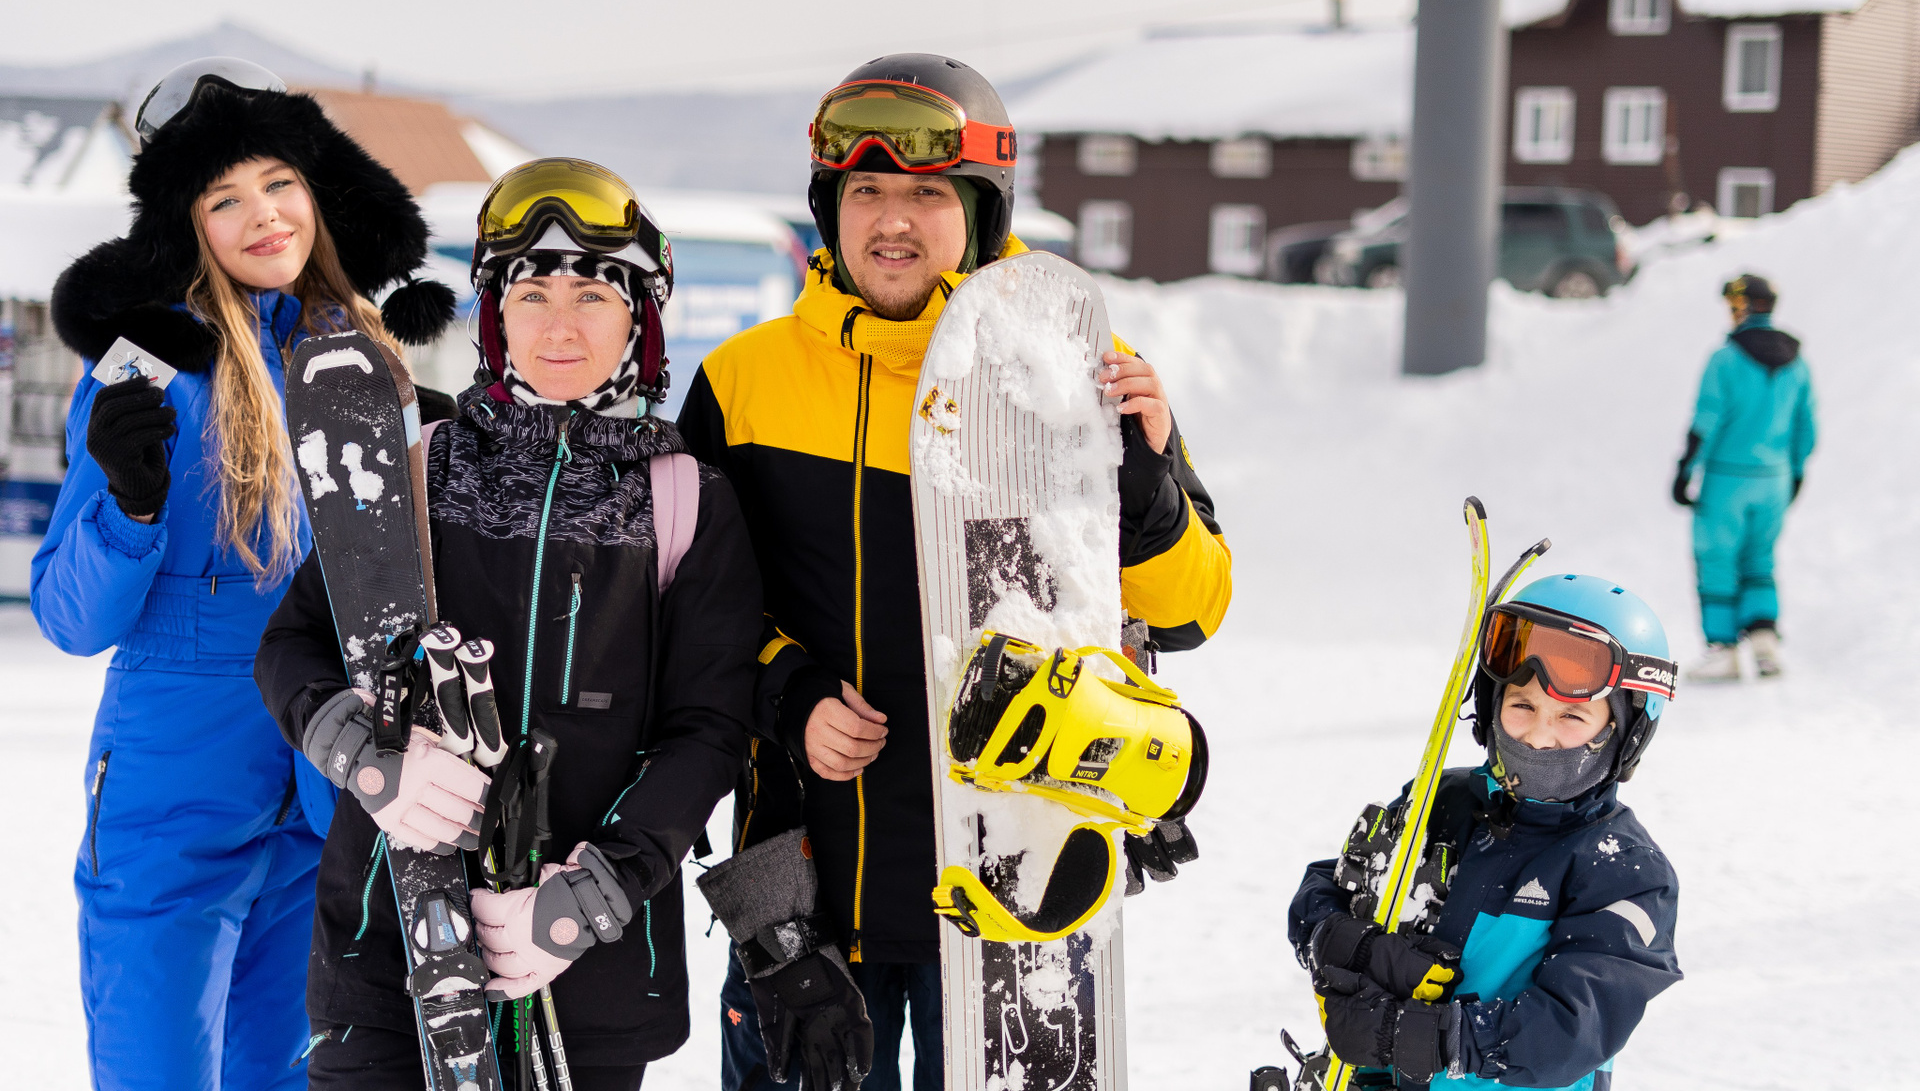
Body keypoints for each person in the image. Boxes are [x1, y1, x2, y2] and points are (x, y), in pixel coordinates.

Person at [676, 54, 1234, 1090]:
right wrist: (789, 694)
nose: (893, 220)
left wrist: (1145, 477)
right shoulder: (743, 384)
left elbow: (1192, 609)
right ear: (830, 207)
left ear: (981, 211)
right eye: (866, 190)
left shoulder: (1076, 371)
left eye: (929, 194)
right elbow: (688, 617)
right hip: (806, 886)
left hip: (1017, 888)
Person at [255, 157, 763, 1090]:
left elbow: (707, 733)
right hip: (388, 955)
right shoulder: (423, 468)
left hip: (590, 982)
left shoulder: (685, 501)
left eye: (594, 296)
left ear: (639, 321)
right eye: (531, 295)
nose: (559, 325)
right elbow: (292, 649)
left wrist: (588, 899)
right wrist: (370, 763)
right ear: (495, 316)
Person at [32, 57, 456, 1091]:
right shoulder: (145, 362)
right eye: (224, 197)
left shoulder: (364, 361)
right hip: (175, 795)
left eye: (279, 182)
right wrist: (129, 505)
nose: (263, 214)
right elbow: (70, 617)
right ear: (187, 222)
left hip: (324, 793)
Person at [1290, 574, 1682, 1090]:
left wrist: (1436, 1038)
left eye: (1572, 716)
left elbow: (1576, 1027)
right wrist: (1332, 934)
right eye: (1522, 706)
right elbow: (1331, 882)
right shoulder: (1443, 801)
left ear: (1625, 734)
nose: (1539, 736)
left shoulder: (1624, 868)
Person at [1672, 273, 1817, 680]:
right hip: (1775, 478)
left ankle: (1723, 648)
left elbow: (1707, 420)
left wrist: (1685, 471)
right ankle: (1765, 639)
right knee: (1759, 557)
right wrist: (1796, 473)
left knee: (1716, 557)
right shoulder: (1797, 362)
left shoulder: (1725, 359)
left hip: (1727, 478)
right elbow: (1807, 427)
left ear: (1741, 306)